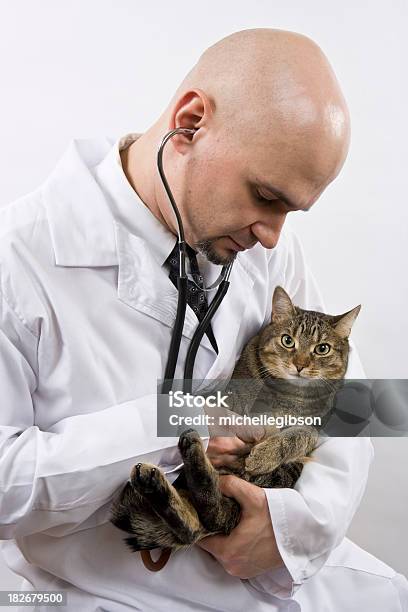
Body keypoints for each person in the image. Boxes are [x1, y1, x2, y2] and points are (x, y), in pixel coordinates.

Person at [0, 27, 407, 612]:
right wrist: (182, 419)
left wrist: (295, 526)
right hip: (102, 590)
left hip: (287, 578)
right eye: (266, 195)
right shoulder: (19, 262)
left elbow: (360, 399)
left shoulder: (263, 245)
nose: (273, 235)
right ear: (190, 121)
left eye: (292, 211)